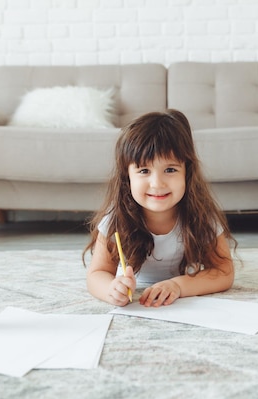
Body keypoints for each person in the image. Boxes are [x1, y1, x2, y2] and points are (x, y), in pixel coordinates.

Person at [83, 109, 236, 307]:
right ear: (127, 178)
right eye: (144, 170)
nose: (157, 183)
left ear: (187, 173)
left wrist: (178, 286)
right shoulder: (116, 219)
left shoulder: (201, 216)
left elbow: (224, 272)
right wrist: (110, 290)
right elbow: (96, 274)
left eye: (170, 170)